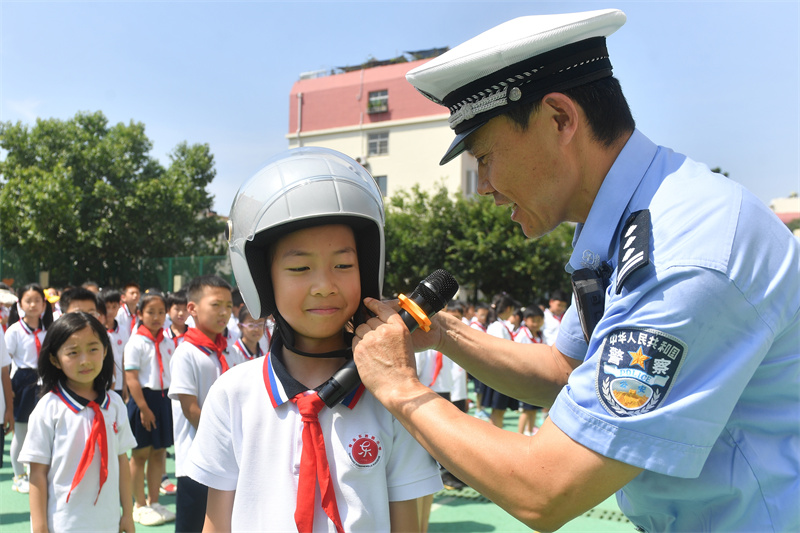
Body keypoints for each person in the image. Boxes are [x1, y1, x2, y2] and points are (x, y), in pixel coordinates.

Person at [351, 8, 800, 533]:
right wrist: (442, 331)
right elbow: (565, 372)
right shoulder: (625, 223)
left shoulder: (683, 253)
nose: (485, 185)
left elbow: (545, 489)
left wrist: (399, 386)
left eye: (486, 157)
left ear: (560, 120)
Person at [186, 147, 442, 532]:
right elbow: (216, 524)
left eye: (343, 264)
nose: (324, 285)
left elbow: (408, 524)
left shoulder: (393, 396)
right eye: (300, 267)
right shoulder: (233, 394)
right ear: (262, 279)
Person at [19, 311, 137, 533]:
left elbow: (122, 461)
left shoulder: (114, 404)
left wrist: (127, 515)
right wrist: (40, 527)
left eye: (93, 349)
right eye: (73, 352)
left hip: (108, 522)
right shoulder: (48, 408)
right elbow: (37, 473)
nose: (85, 360)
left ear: (105, 350)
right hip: (63, 524)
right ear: (55, 359)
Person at [168, 274, 243, 532]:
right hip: (196, 460)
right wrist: (228, 441)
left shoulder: (230, 350)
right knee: (192, 525)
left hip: (228, 459)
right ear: (192, 308)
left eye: (228, 305)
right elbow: (190, 410)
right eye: (215, 305)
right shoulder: (186, 353)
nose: (224, 312)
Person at [124, 290, 176, 526]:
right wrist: (143, 408)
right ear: (140, 314)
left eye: (161, 312)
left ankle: (154, 502)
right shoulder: (136, 342)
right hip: (143, 400)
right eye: (151, 312)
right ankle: (139, 505)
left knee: (159, 452)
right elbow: (132, 378)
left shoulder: (167, 341)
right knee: (140, 454)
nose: (156, 317)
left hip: (163, 399)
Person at [5, 283, 54, 494]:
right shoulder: (14, 331)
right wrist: (8, 390)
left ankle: (39, 472)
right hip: (23, 383)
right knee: (21, 431)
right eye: (28, 300)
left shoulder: (49, 330)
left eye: (37, 300)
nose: (33, 305)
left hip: (46, 382)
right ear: (20, 304)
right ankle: (19, 476)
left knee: (44, 431)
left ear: (44, 304)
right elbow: (5, 362)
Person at [483, 293, 520, 429]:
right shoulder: (498, 326)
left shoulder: (497, 325)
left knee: (498, 412)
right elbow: (500, 352)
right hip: (500, 375)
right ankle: (494, 438)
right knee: (498, 412)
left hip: (499, 374)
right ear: (509, 309)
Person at [514, 307, 545, 436]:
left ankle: (530, 431)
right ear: (525, 320)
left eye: (539, 320)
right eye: (534, 320)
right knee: (526, 410)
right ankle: (520, 434)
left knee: (534, 408)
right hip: (526, 377)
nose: (536, 324)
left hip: (538, 377)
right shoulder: (522, 335)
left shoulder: (540, 335)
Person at [99, 290, 130, 399]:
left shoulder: (123, 330)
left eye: (114, 307)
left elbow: (125, 359)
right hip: (102, 383)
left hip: (119, 384)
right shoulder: (97, 331)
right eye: (107, 307)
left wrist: (125, 385)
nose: (110, 311)